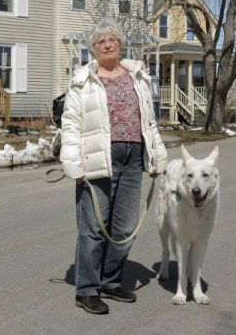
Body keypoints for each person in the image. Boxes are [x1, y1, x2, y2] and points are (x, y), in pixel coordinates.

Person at [60, 18, 168, 315]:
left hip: (133, 157)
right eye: (100, 41)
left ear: (120, 44)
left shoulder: (138, 77)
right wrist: (73, 163)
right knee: (93, 228)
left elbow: (148, 121)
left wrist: (157, 157)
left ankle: (110, 280)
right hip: (97, 157)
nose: (107, 44)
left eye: (112, 39)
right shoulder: (82, 80)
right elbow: (70, 123)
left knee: (124, 227)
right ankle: (87, 289)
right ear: (93, 49)